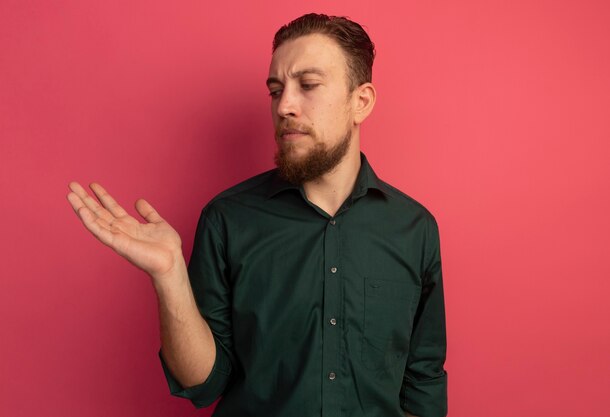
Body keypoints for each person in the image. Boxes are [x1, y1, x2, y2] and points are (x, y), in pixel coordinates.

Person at [67, 13, 447, 417]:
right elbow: (202, 383)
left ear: (361, 101)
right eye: (275, 90)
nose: (284, 106)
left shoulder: (414, 228)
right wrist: (169, 277)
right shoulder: (228, 218)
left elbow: (423, 380)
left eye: (308, 85)